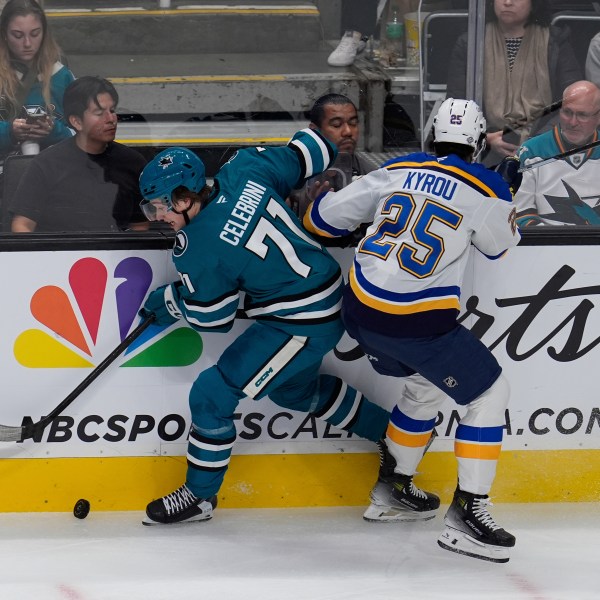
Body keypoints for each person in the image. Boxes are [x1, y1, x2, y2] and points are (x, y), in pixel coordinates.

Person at [303, 98, 522, 563]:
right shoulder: (486, 187)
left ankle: (393, 491)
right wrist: (508, 196)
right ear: (479, 144)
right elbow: (499, 249)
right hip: (415, 323)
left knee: (425, 384)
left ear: (430, 137)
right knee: (489, 393)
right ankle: (468, 514)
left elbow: (321, 220)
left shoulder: (397, 168)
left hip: (359, 312)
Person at [136, 129, 391, 526]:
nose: (158, 218)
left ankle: (200, 498)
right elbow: (315, 148)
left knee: (211, 394)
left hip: (300, 321)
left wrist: (169, 301)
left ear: (185, 198)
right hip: (326, 299)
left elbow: (213, 318)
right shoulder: (245, 167)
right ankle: (393, 435)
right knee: (294, 391)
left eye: (160, 207)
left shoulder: (197, 246)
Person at [446, 0, 582, 166]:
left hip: (545, 148)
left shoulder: (555, 41)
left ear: (534, 3)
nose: (507, 2)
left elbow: (574, 101)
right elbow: (456, 106)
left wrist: (537, 141)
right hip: (484, 149)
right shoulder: (471, 43)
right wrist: (484, 137)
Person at [9, 76, 148, 232]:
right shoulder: (46, 164)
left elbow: (140, 226)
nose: (111, 119)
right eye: (99, 113)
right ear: (77, 122)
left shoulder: (133, 163)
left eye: (112, 110)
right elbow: (22, 225)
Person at [514, 80, 600, 227]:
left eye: (582, 115)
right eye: (567, 112)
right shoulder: (531, 151)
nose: (572, 122)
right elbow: (519, 215)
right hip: (546, 247)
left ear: (598, 118)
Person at [0, 0, 74, 161]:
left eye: (34, 34)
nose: (27, 43)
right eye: (18, 35)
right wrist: (9, 132)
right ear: (4, 34)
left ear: (44, 33)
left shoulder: (61, 75)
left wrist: (53, 131)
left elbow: (83, 134)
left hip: (53, 171)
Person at [288, 93, 375, 220]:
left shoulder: (371, 175)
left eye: (353, 123)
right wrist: (308, 201)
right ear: (314, 130)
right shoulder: (293, 170)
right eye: (336, 125)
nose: (348, 132)